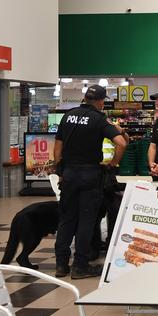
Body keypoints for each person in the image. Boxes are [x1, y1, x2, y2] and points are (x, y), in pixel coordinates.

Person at [53, 84, 127, 279]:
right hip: (90, 175)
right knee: (86, 220)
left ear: (85, 98)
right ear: (101, 102)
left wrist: (59, 170)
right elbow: (121, 143)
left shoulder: (68, 116)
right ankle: (80, 266)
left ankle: (61, 264)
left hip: (69, 174)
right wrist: (113, 163)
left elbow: (57, 147)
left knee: (67, 219)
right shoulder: (99, 119)